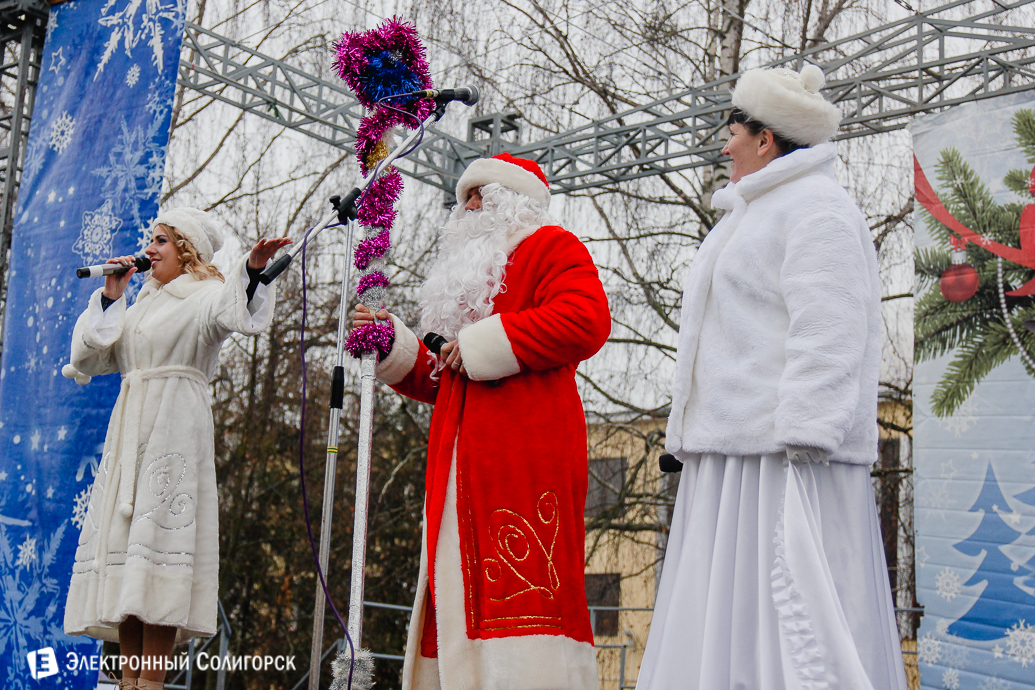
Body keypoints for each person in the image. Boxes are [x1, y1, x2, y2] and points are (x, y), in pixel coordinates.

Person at [636, 66, 908, 690]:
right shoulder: (745, 217)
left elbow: (832, 325)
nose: (724, 144)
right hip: (734, 457)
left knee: (793, 617)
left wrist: (807, 432)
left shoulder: (819, 209)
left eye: (733, 130)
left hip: (785, 458)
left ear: (766, 138)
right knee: (729, 619)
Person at [352, 153, 611, 690]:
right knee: (458, 593)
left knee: (520, 599)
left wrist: (479, 344)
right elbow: (447, 375)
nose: (467, 205)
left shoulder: (551, 246)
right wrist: (394, 345)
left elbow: (586, 319)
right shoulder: (474, 277)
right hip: (458, 463)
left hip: (524, 455)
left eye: (481, 193)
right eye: (464, 195)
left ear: (515, 201)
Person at [62, 208, 290, 690]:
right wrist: (111, 296)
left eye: (161, 240)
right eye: (150, 239)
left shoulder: (203, 296)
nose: (150, 249)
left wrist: (250, 270)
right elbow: (89, 357)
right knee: (127, 565)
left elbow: (233, 312)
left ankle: (151, 684)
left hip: (174, 432)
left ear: (186, 251)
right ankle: (126, 683)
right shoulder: (139, 303)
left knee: (159, 555)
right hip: (130, 435)